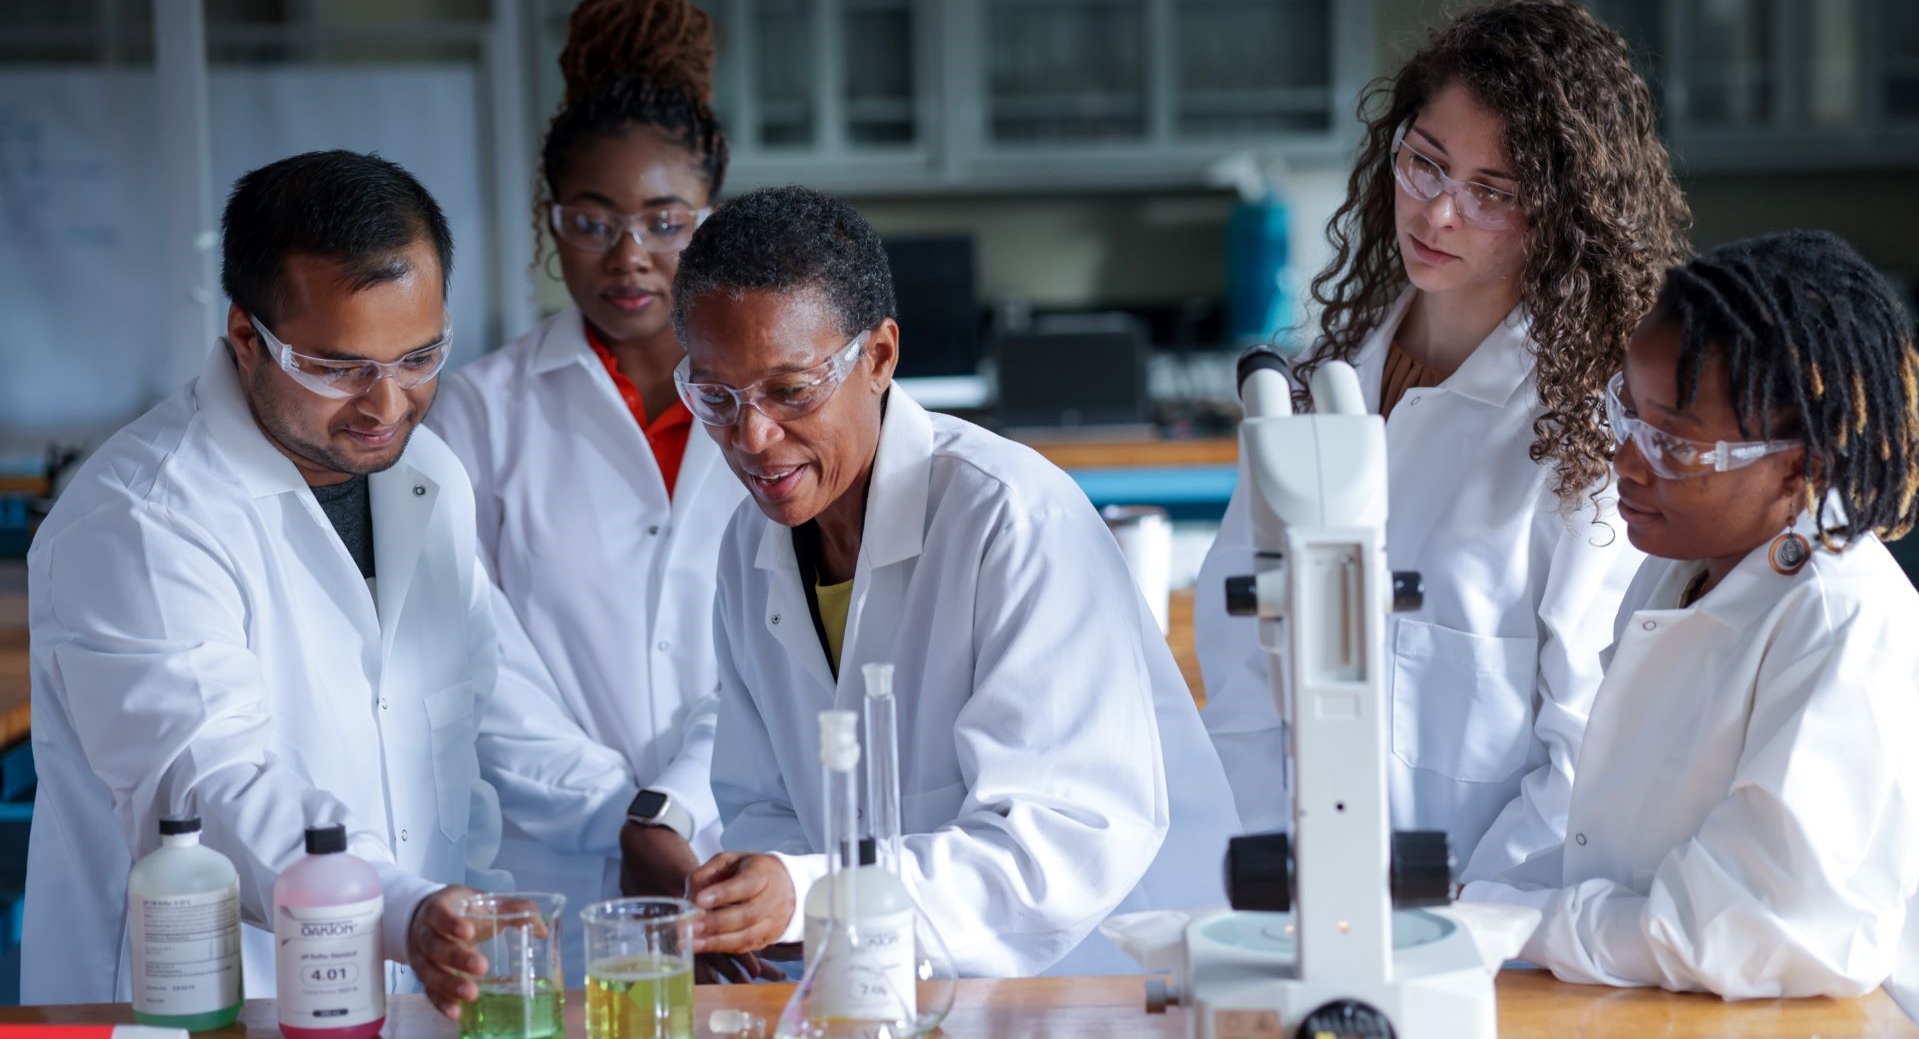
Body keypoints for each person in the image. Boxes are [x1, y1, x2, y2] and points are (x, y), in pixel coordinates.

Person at [23, 150, 633, 1017]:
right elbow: (209, 786)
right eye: (341, 368)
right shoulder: (143, 516)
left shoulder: (429, 477)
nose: (386, 405)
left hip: (411, 997)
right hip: (200, 1007)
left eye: (420, 355)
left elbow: (468, 743)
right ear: (246, 336)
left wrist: (480, 904)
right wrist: (399, 907)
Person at [673, 186, 1240, 977]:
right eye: (715, 396)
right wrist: (757, 921)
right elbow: (768, 802)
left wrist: (810, 896)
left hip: (1101, 985)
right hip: (887, 990)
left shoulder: (1011, 519)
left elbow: (1058, 844)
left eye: (791, 390)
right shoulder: (749, 544)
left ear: (877, 358)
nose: (752, 436)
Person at [1194, 0, 1690, 880]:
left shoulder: (1584, 438)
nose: (1438, 213)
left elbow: (1585, 743)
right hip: (1302, 883)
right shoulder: (1313, 386)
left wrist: (1467, 914)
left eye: (1490, 191)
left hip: (1496, 928)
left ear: (1560, 215)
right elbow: (1239, 654)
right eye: (1424, 163)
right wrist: (1293, 852)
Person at [1463, 231, 1919, 999]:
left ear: (1802, 462)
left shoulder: (1842, 622)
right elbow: (1618, 853)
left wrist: (1512, 919)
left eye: (1673, 443)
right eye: (1629, 414)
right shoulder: (1680, 566)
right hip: (1672, 999)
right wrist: (1472, 904)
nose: (1626, 462)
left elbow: (1752, 924)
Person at [427, 0, 746, 981]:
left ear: (708, 220)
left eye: (663, 221)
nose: (629, 255)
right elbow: (472, 655)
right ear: (548, 220)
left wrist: (673, 808)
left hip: (736, 852)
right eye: (591, 221)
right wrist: (624, 820)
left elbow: (784, 641)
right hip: (550, 875)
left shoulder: (767, 410)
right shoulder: (476, 413)